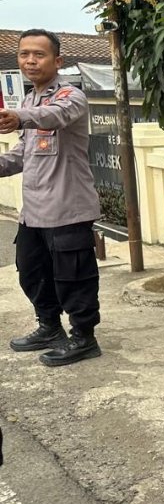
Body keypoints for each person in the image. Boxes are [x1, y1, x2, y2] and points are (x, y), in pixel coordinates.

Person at [0, 29, 102, 367]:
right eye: (24, 54)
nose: (30, 60)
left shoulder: (72, 97)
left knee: (74, 278)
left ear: (57, 60)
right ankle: (49, 328)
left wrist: (20, 118)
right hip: (34, 213)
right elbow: (22, 155)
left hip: (68, 209)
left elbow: (53, 116)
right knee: (31, 274)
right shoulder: (29, 99)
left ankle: (84, 338)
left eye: (39, 54)